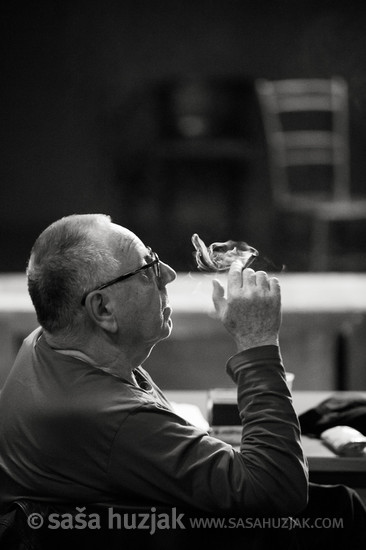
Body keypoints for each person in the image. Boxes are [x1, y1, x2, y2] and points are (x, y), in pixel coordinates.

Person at [0, 213, 363, 548]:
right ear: (103, 309)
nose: (169, 274)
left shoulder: (47, 340)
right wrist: (258, 342)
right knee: (336, 511)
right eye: (147, 269)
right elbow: (279, 491)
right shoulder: (115, 418)